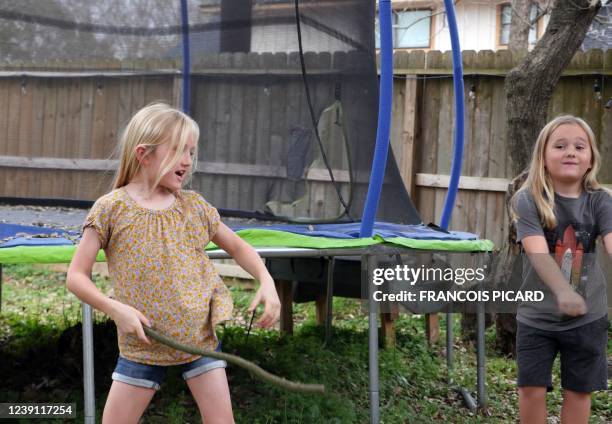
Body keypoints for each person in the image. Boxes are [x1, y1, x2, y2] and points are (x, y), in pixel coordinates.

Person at [67, 102, 281, 424]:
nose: (188, 161)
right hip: (142, 346)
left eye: (191, 152)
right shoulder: (111, 209)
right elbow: (76, 277)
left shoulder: (193, 207)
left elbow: (238, 247)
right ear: (144, 153)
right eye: (180, 150)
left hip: (199, 342)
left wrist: (266, 280)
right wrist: (115, 309)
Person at [511, 115, 611, 424]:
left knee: (580, 391)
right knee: (531, 389)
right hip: (537, 317)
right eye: (560, 145)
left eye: (579, 146)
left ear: (590, 158)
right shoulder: (528, 200)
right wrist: (564, 291)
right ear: (542, 155)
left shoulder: (600, 202)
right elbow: (538, 253)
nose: (571, 152)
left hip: (587, 317)